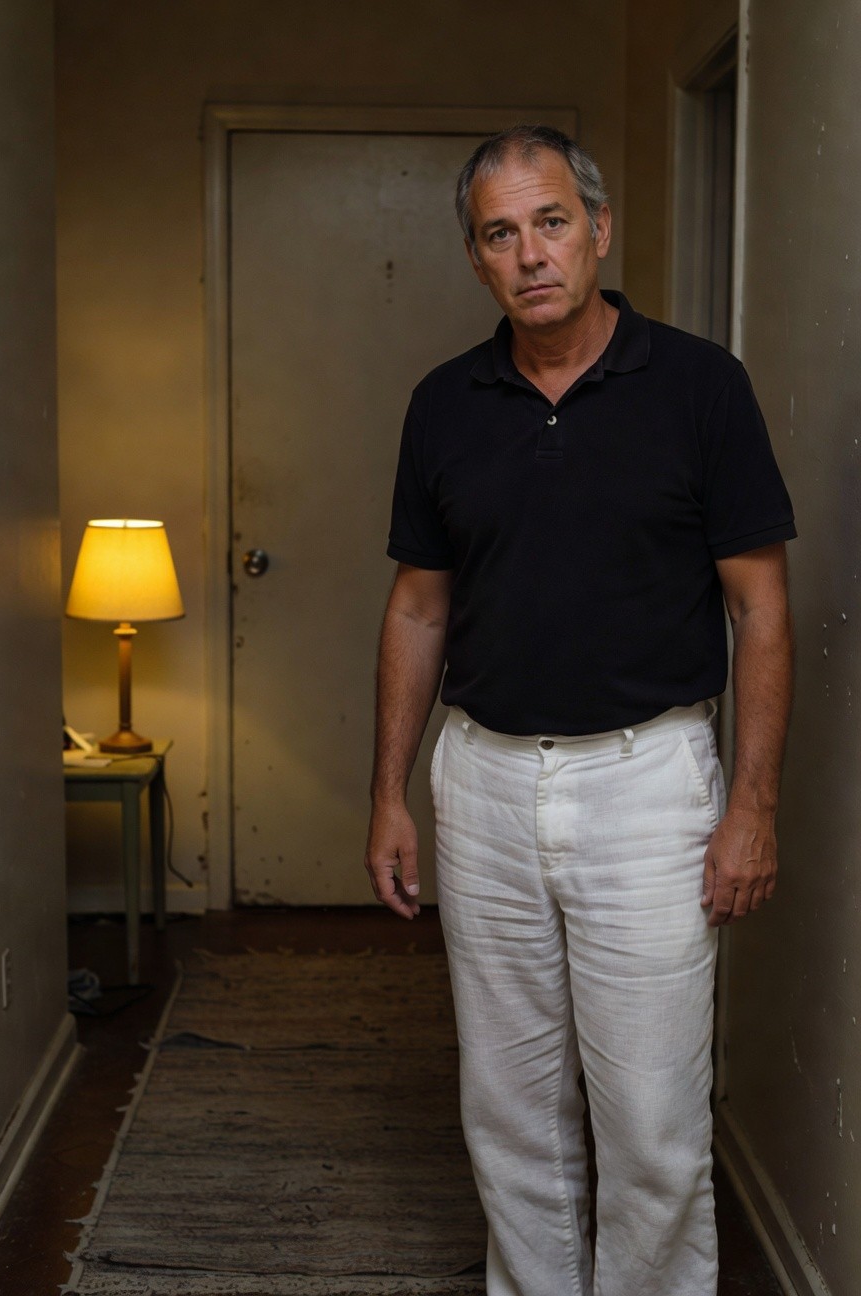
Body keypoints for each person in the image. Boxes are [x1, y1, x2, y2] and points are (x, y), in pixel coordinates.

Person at [364, 125, 795, 1296]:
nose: (531, 253)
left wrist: (750, 804)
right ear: (475, 258)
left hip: (648, 783)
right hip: (485, 780)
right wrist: (389, 795)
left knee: (653, 1123)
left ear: (599, 230)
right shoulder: (444, 405)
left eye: (551, 222)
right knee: (509, 1113)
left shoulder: (702, 387)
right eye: (500, 233)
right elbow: (417, 609)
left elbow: (760, 609)